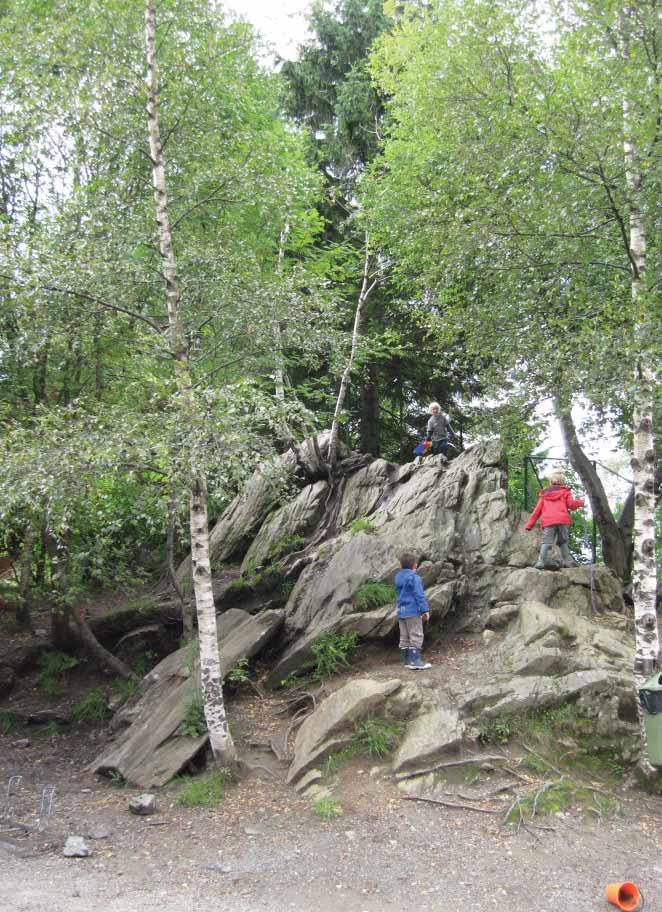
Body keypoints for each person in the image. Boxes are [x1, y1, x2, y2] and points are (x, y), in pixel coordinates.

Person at [524, 471, 585, 569]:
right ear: (562, 481)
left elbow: (537, 511)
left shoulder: (544, 495)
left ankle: (540, 562)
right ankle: (568, 562)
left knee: (546, 541)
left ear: (551, 481)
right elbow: (571, 505)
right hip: (562, 520)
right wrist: (580, 502)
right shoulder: (565, 492)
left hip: (549, 521)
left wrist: (529, 525)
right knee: (563, 541)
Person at [395, 552, 432, 670]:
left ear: (401, 566)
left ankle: (406, 661)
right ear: (415, 565)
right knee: (416, 634)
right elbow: (419, 595)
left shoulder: (397, 577)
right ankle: (415, 661)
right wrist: (425, 610)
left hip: (401, 611)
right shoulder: (414, 578)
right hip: (412, 611)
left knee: (404, 636)